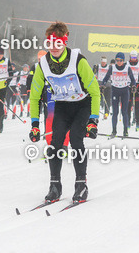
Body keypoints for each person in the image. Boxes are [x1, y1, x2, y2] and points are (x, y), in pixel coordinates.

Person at [28, 21, 100, 204]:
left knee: (76, 139)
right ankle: (55, 186)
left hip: (82, 105)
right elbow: (35, 96)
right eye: (50, 44)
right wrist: (35, 125)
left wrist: (93, 120)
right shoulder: (43, 64)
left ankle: (81, 185)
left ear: (64, 42)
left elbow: (95, 91)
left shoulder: (78, 60)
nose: (53, 48)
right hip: (62, 106)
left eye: (58, 43)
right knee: (55, 143)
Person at [102, 51, 136, 137]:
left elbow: (133, 80)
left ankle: (125, 131)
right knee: (115, 112)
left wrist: (134, 86)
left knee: (124, 112)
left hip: (125, 90)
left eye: (120, 60)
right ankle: (114, 131)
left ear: (123, 60)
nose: (118, 62)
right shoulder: (112, 68)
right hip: (115, 90)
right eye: (117, 60)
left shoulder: (127, 68)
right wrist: (103, 85)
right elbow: (106, 78)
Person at [127, 50, 139, 130]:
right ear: (130, 57)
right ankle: (127, 122)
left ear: (137, 57)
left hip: (137, 86)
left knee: (137, 105)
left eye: (135, 57)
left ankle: (138, 122)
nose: (133, 59)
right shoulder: (126, 64)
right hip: (128, 86)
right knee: (128, 105)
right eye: (132, 57)